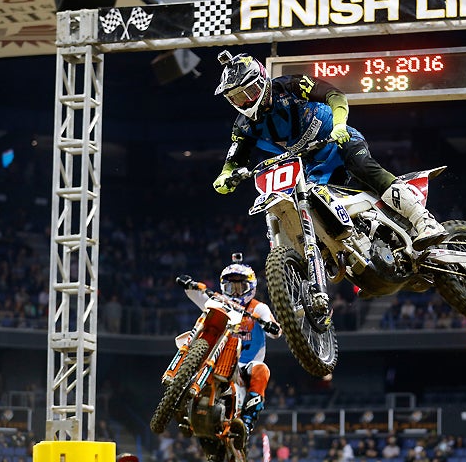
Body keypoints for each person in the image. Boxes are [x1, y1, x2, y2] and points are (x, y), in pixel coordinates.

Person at [211, 50, 447, 251]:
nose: (245, 100)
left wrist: (340, 123)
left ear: (262, 81)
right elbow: (234, 158)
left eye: (248, 92)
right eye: (236, 97)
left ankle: (424, 220)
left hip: (337, 140)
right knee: (308, 206)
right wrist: (225, 176)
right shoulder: (243, 125)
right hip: (310, 166)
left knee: (363, 167)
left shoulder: (290, 85)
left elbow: (335, 95)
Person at [180, 258, 282, 454]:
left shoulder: (258, 308)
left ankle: (246, 421)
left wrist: (271, 325)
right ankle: (180, 402)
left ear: (250, 287)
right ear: (222, 287)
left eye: (240, 287)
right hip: (218, 361)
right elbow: (200, 297)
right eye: (230, 287)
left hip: (246, 365)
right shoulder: (219, 302)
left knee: (262, 370)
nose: (235, 292)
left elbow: (275, 331)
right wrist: (188, 285)